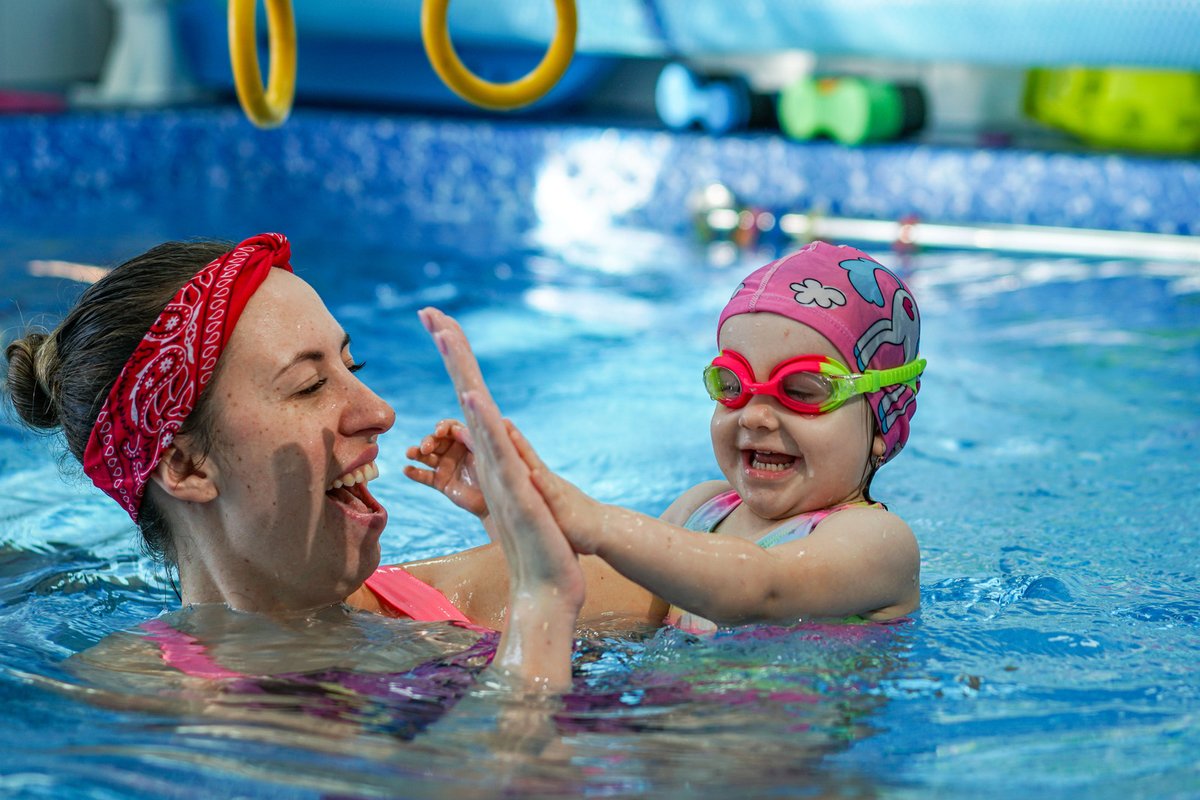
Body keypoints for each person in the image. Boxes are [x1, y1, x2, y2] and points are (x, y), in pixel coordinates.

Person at [3, 232, 582, 691]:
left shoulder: (454, 596)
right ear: (186, 467)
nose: (379, 412)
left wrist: (545, 533)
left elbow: (674, 543)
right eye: (308, 386)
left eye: (351, 368)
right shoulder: (152, 695)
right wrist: (544, 604)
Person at [407, 241, 926, 632]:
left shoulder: (876, 543)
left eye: (803, 389)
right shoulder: (702, 511)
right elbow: (592, 588)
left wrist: (600, 521)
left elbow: (760, 588)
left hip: (791, 770)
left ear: (883, 422)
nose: (756, 416)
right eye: (734, 384)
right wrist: (504, 509)